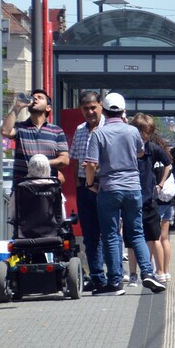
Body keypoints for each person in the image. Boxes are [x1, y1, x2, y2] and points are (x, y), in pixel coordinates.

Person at [83, 93, 166, 295]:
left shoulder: (98, 134)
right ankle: (148, 273)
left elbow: (91, 164)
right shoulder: (132, 132)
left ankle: (115, 283)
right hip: (133, 188)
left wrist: (90, 182)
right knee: (137, 233)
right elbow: (140, 153)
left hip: (109, 188)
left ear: (104, 109)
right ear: (123, 111)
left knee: (111, 236)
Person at [69, 90, 106, 291]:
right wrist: (77, 185)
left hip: (104, 184)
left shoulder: (109, 127)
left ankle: (114, 274)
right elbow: (74, 160)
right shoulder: (80, 129)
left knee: (109, 233)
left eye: (93, 107)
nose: (90, 112)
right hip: (84, 186)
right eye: (86, 109)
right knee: (90, 234)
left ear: (101, 105)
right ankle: (97, 276)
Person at [132, 112, 173, 284]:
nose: (144, 136)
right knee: (133, 238)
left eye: (148, 132)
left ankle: (161, 271)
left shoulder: (152, 148)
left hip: (149, 199)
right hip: (132, 197)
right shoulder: (128, 146)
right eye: (141, 132)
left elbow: (168, 163)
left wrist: (161, 184)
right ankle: (134, 274)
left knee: (155, 237)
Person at [1, 89, 70, 185]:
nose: (35, 99)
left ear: (48, 107)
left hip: (48, 188)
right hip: (23, 187)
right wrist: (17, 107)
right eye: (33, 97)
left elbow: (65, 160)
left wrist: (41, 163)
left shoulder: (56, 131)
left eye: (40, 98)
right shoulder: (20, 127)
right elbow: (5, 131)